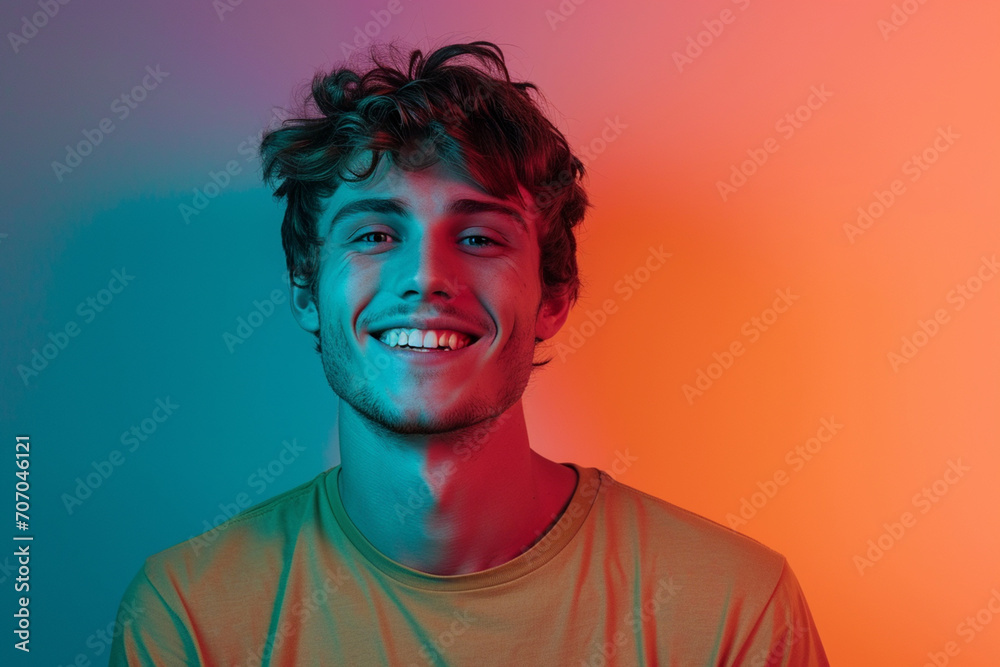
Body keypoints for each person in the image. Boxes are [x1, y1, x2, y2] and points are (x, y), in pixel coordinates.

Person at [110, 40, 830, 666]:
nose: (426, 277)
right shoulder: (189, 615)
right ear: (306, 292)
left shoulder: (735, 610)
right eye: (373, 235)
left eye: (481, 237)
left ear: (554, 295)